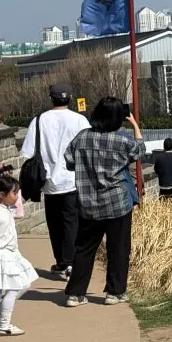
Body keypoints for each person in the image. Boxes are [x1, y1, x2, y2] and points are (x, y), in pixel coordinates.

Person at [63, 97, 145, 308]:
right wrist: (134, 124)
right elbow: (139, 151)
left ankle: (75, 293)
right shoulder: (122, 139)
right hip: (117, 202)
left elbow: (70, 162)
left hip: (88, 203)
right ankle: (114, 292)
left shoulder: (82, 138)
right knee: (118, 248)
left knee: (84, 248)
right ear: (119, 117)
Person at [20, 83, 90, 280]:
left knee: (54, 224)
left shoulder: (40, 120)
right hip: (72, 179)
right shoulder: (80, 120)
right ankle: (70, 262)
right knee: (71, 223)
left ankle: (62, 261)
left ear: (51, 98)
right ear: (69, 98)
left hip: (48, 181)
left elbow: (28, 152)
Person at [0, 174, 38, 336]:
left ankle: (2, 318)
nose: (17, 197)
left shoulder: (5, 210)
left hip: (9, 254)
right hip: (3, 255)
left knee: (18, 285)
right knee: (17, 286)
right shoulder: (1, 214)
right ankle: (4, 324)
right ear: (2, 195)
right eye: (14, 193)